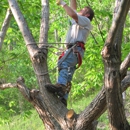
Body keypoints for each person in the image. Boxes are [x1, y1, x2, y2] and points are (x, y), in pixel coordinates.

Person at [45, 0, 94, 106]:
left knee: (64, 64)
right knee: (68, 72)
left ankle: (61, 86)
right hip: (75, 50)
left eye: (82, 10)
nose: (79, 11)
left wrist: (63, 3)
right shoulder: (79, 21)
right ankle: (63, 98)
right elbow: (73, 10)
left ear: (87, 14)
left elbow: (72, 13)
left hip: (75, 49)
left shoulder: (85, 20)